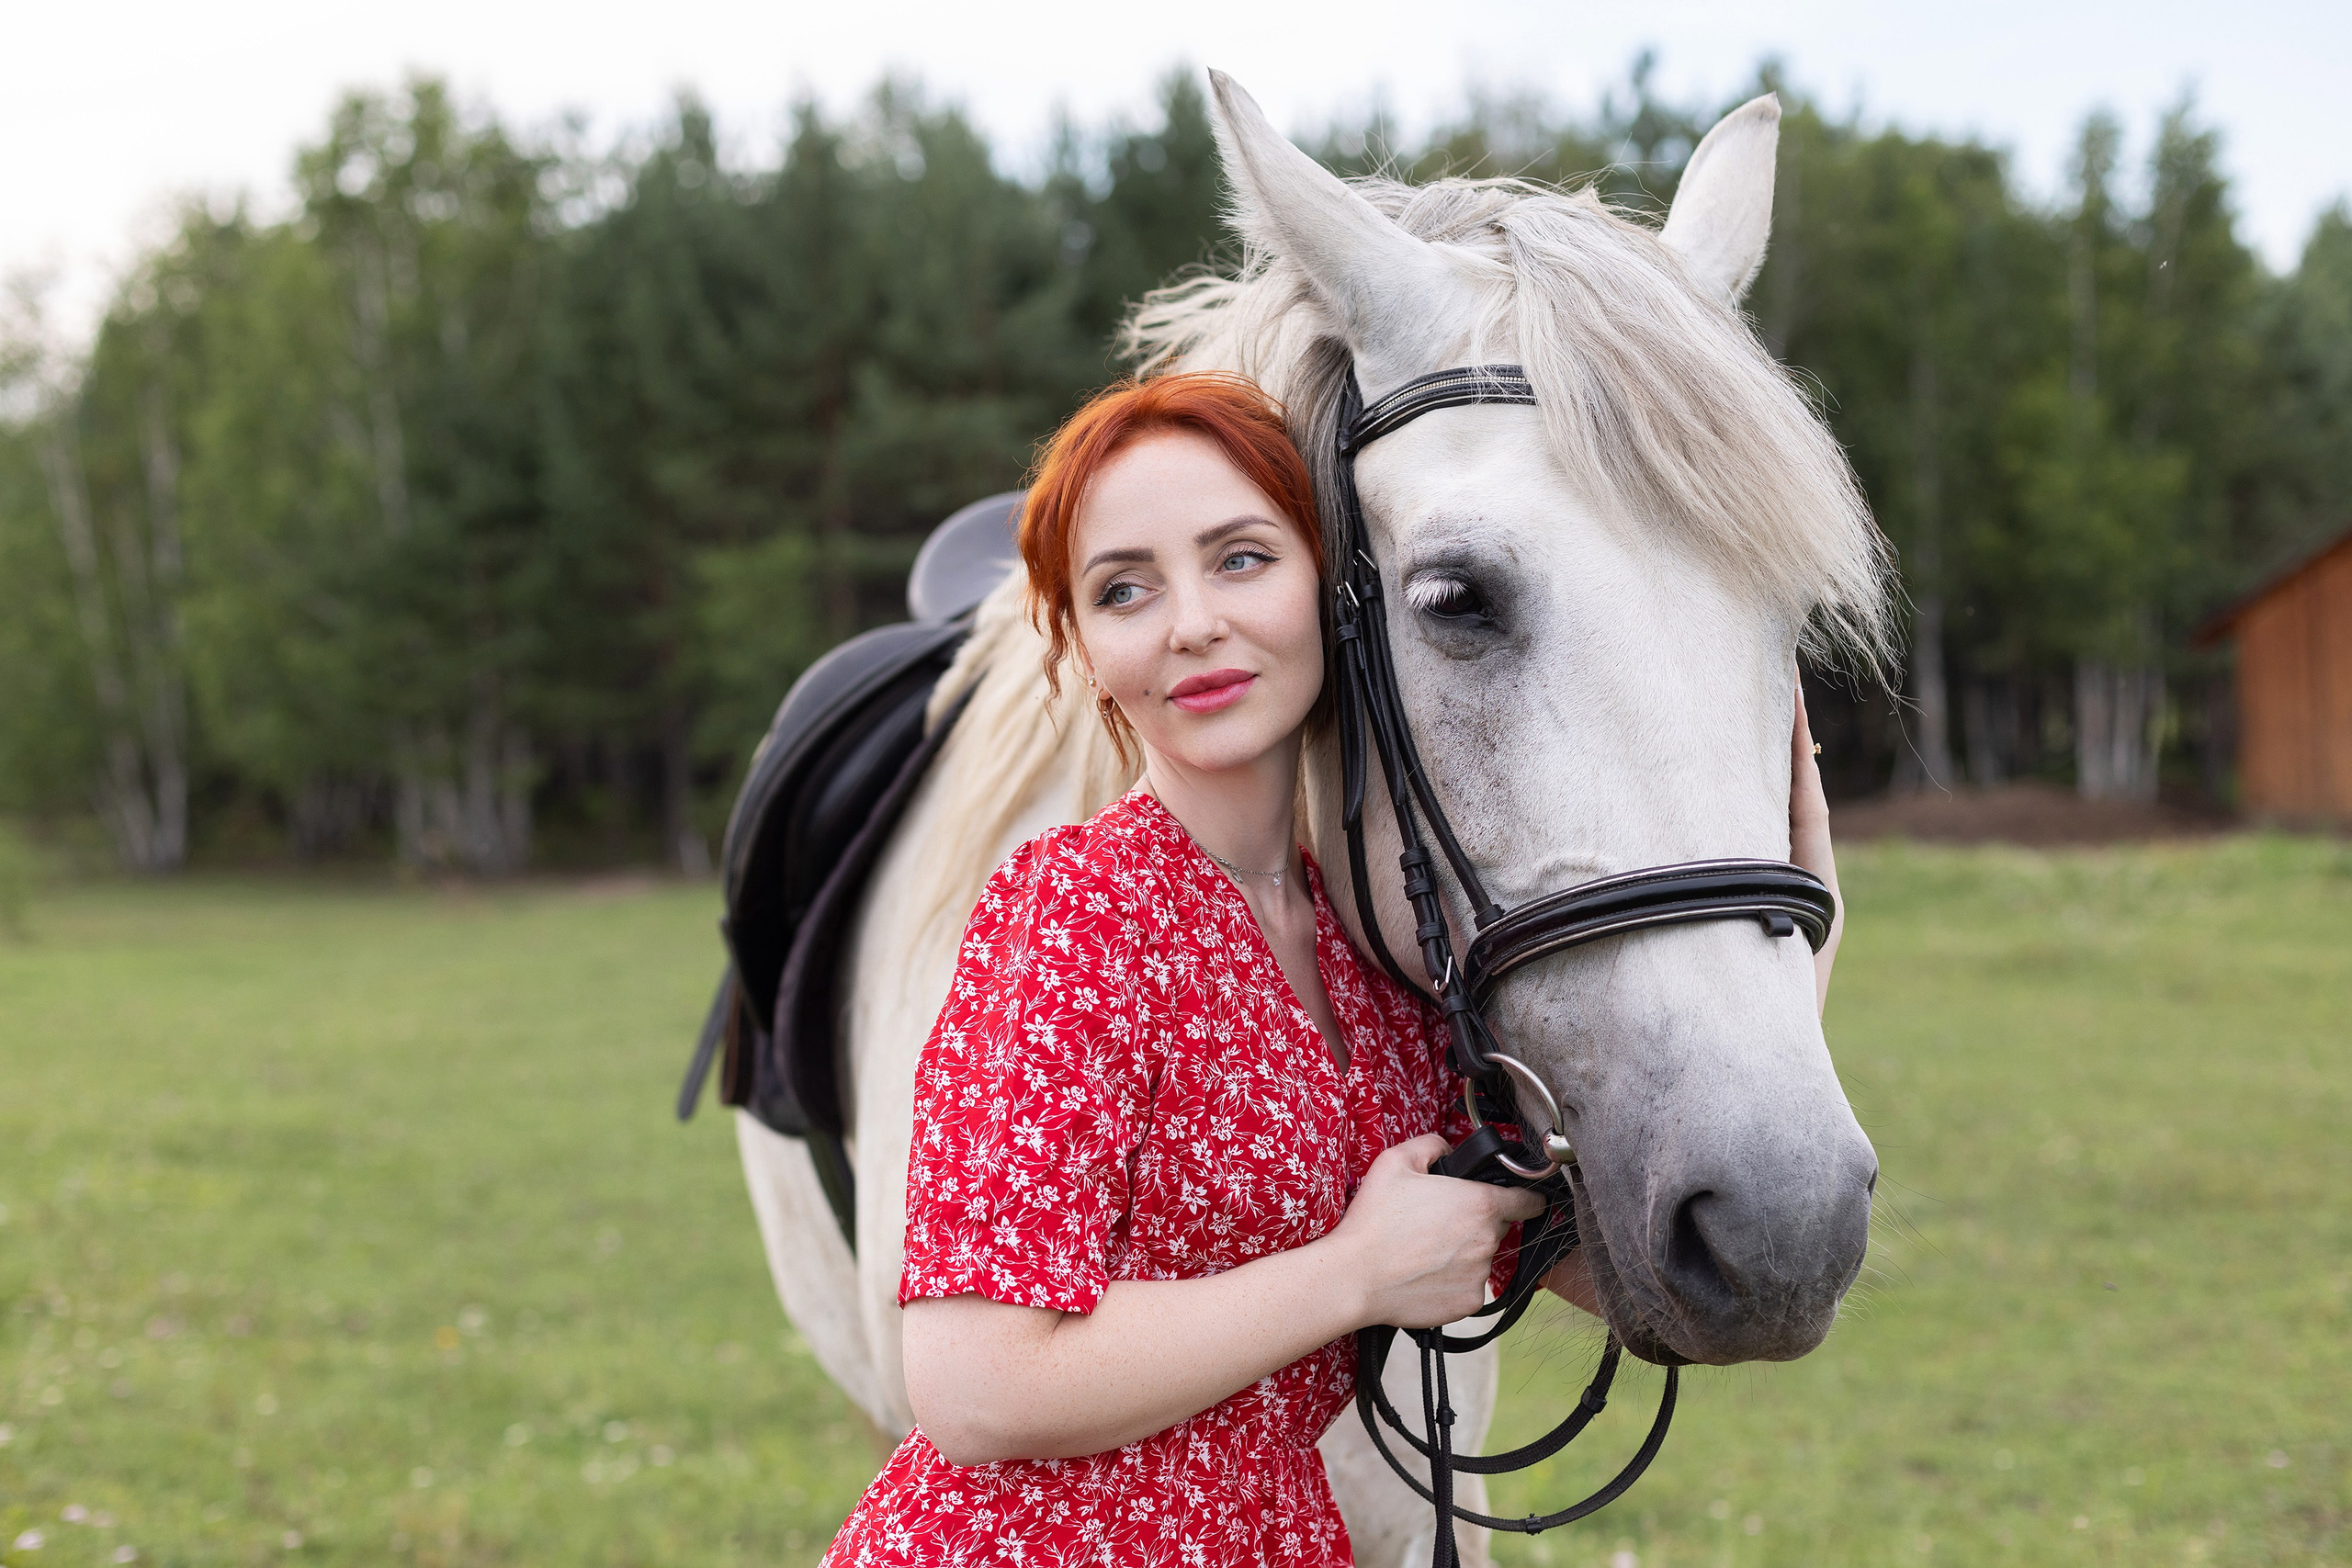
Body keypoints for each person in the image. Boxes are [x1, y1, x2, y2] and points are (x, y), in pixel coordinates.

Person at [820, 372, 1843, 1568]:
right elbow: (974, 1381)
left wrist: (1781, 950)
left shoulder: (1366, 966)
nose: (1191, 622)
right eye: (1125, 589)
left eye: (1240, 558)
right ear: (1088, 653)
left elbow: (1611, 1260)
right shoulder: (1074, 913)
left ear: (1331, 590)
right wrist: (1352, 1277)